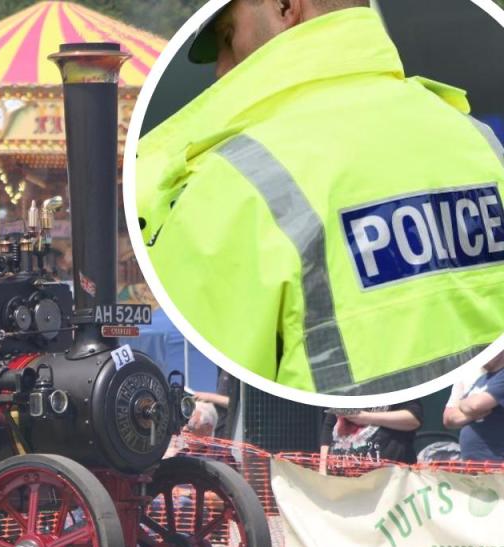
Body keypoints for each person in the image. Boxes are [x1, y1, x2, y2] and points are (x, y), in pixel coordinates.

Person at [136, 0, 504, 394]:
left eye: (228, 37)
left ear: (285, 6)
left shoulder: (232, 181)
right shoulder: (479, 143)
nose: (221, 68)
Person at [319, 401, 423, 471]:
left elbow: (413, 419)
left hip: (390, 481)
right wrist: (323, 471)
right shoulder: (343, 387)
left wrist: (366, 417)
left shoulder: (395, 382)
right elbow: (328, 428)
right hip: (343, 478)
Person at [443, 349, 504, 461]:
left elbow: (475, 405)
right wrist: (472, 413)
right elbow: (449, 418)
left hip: (497, 465)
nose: (478, 354)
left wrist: (465, 405)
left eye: (485, 348)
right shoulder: (482, 379)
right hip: (473, 465)